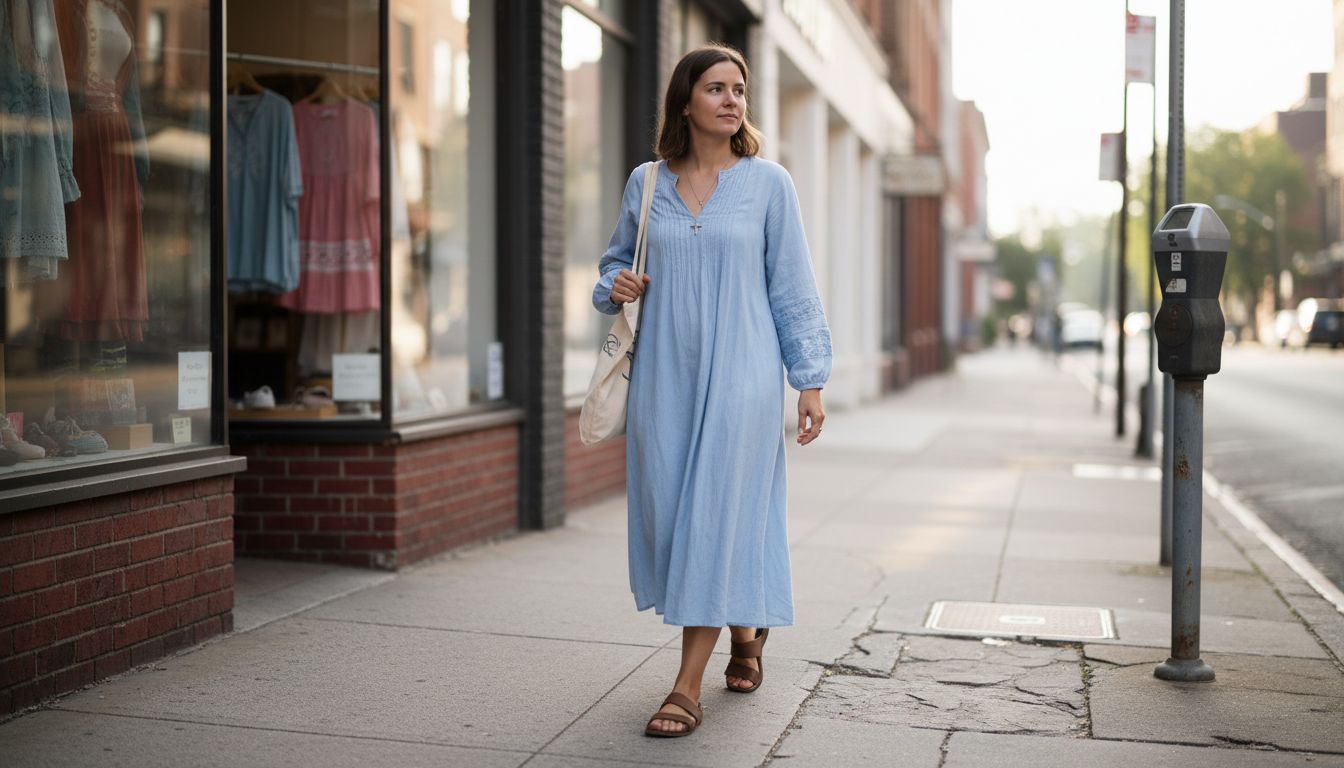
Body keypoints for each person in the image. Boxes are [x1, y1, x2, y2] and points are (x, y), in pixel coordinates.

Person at [591, 44, 832, 738]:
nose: (732, 100)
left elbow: (793, 288)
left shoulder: (769, 184)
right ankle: (747, 630)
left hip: (744, 376)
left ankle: (685, 687)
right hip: (666, 377)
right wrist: (617, 284)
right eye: (717, 88)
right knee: (674, 516)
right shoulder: (646, 183)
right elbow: (612, 265)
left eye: (740, 89)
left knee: (714, 515)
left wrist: (808, 379)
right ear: (686, 101)